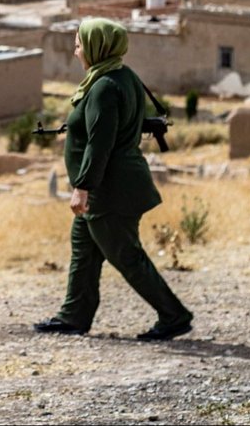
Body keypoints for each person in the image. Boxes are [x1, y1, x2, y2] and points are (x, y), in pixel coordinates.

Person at [34, 17, 193, 341]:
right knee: (84, 250)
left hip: (109, 191)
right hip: (109, 187)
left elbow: (100, 142)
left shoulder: (105, 86)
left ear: (97, 46)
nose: (77, 51)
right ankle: (73, 316)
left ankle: (174, 316)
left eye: (80, 44)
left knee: (127, 256)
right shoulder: (120, 75)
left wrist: (83, 188)